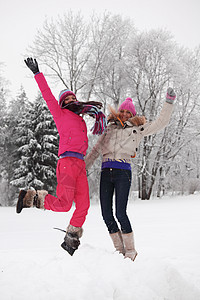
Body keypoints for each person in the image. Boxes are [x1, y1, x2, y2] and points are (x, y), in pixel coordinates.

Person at [16, 57, 107, 256]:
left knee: (83, 205)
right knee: (65, 205)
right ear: (61, 103)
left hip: (79, 165)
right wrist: (37, 74)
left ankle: (71, 239)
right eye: (66, 99)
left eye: (72, 98)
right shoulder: (60, 114)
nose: (70, 100)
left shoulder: (82, 121)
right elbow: (48, 95)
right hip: (66, 163)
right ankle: (29, 197)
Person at [85, 89, 176, 261]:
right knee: (106, 214)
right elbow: (96, 150)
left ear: (132, 114)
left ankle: (131, 251)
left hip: (122, 172)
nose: (125, 114)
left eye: (129, 112)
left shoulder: (137, 129)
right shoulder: (109, 128)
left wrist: (168, 103)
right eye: (123, 111)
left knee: (120, 213)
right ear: (119, 112)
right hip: (106, 172)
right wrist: (83, 168)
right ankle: (120, 251)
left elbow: (160, 123)